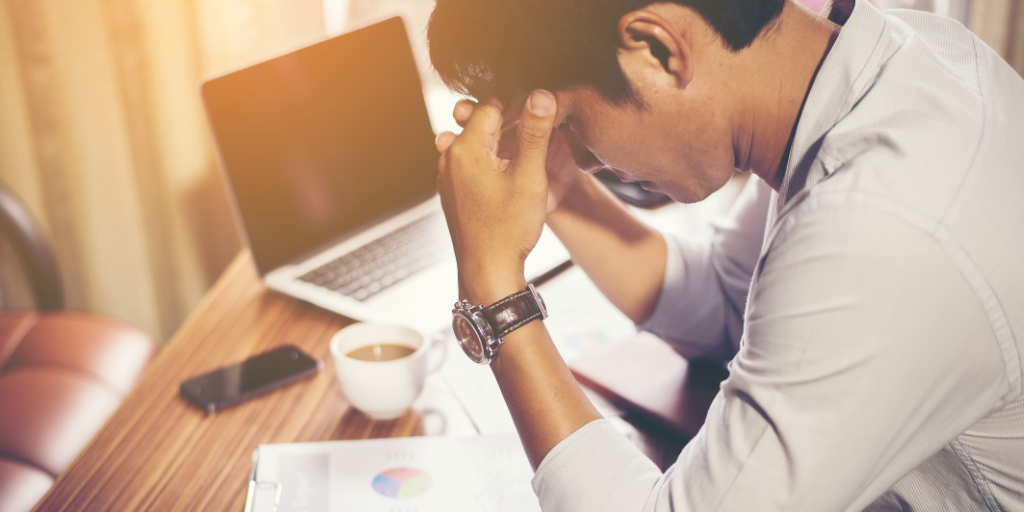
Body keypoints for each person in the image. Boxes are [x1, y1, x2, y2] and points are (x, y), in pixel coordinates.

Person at [428, 0, 1024, 509]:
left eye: (576, 122)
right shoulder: (882, 66)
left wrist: (493, 288)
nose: (583, 156)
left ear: (658, 51)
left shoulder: (882, 224)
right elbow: (721, 302)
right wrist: (562, 192)